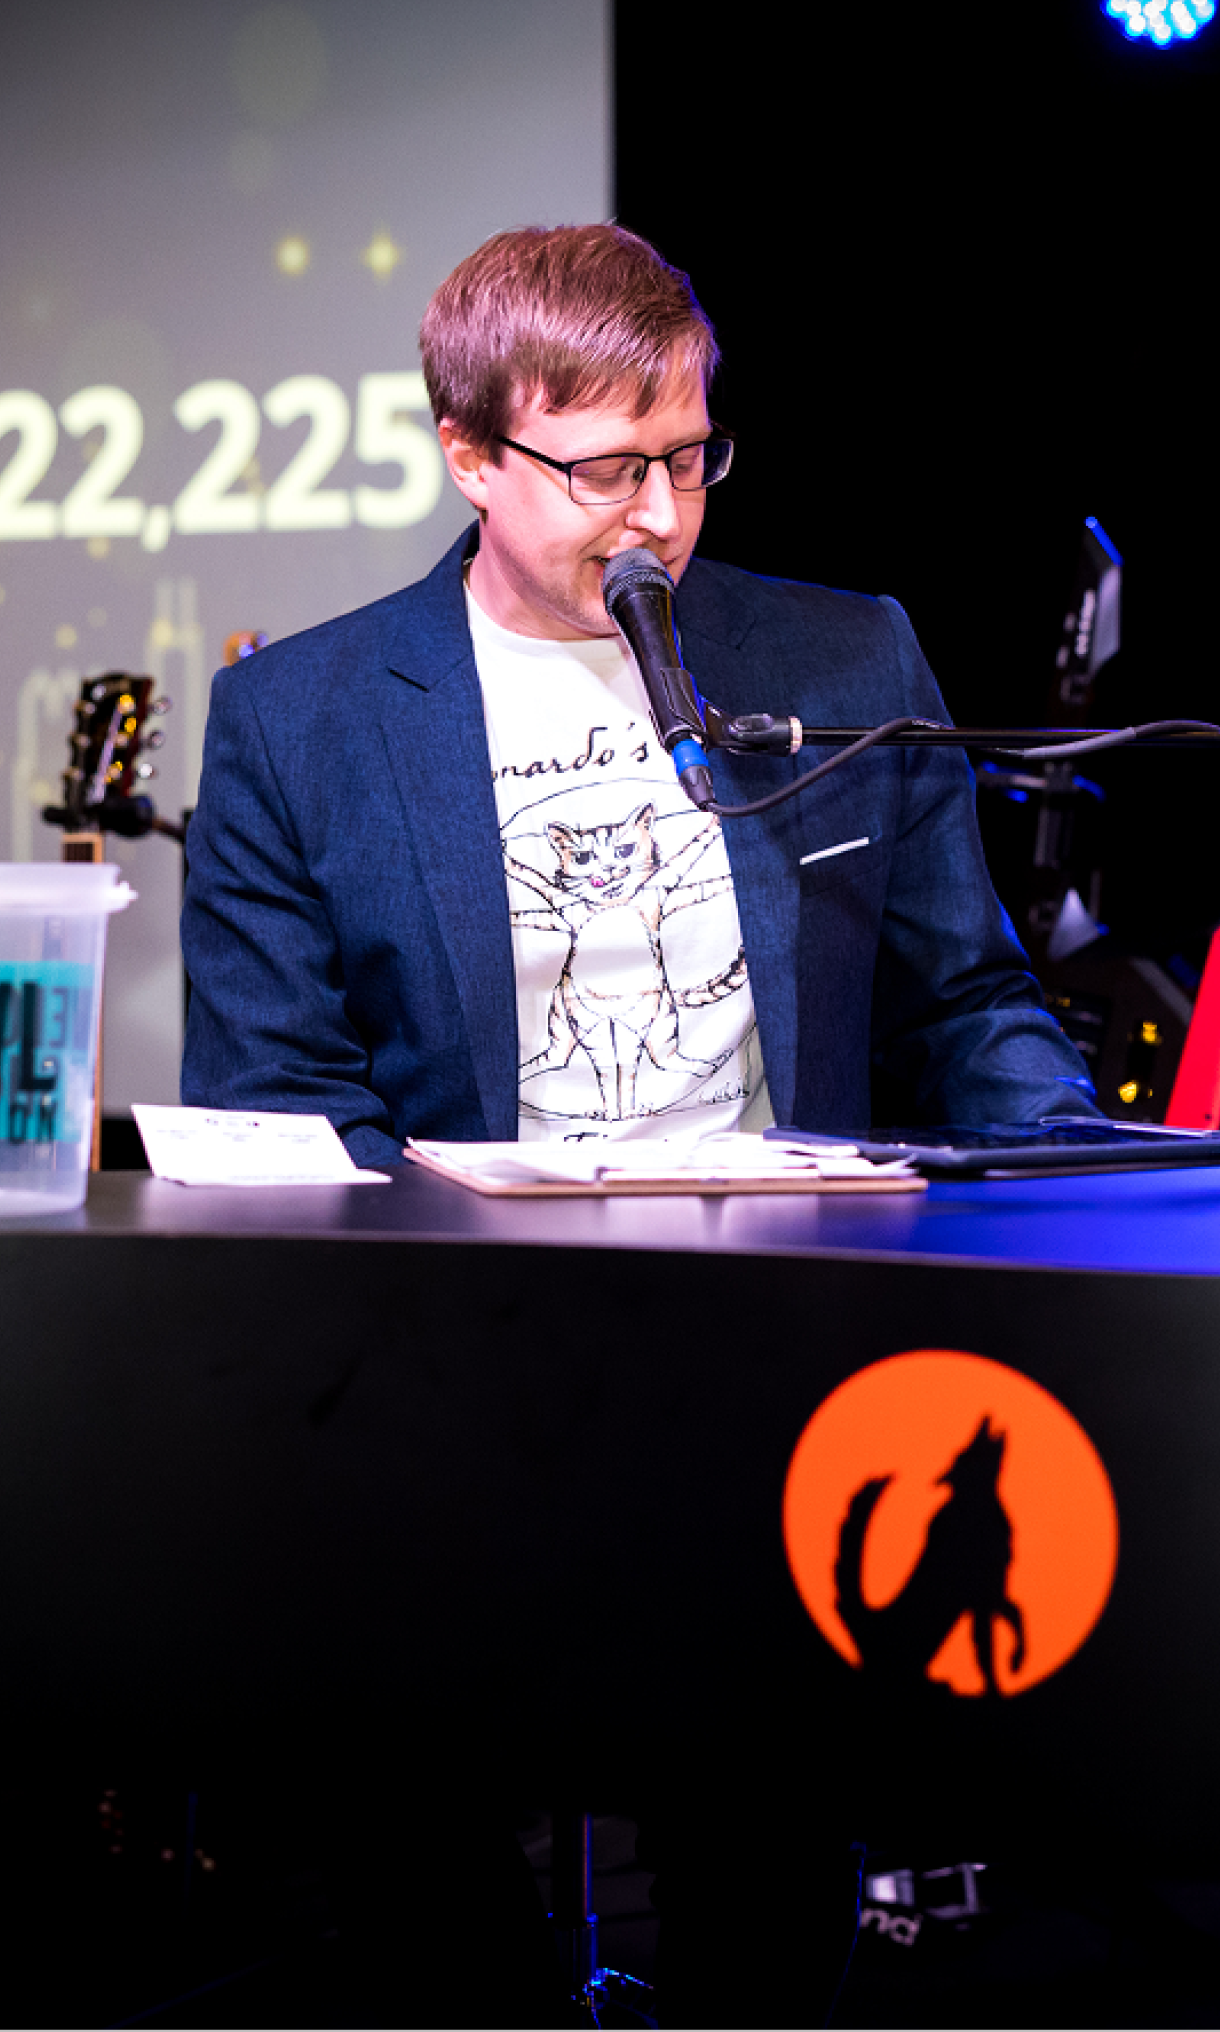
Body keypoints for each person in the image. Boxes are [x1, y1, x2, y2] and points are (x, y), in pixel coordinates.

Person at [179, 223, 1097, 2026]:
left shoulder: (842, 650)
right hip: (456, 1353)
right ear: (467, 451)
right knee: (406, 1828)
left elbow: (965, 1003)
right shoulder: (303, 718)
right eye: (604, 471)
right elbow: (283, 1098)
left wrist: (1085, 1194)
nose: (660, 516)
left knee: (769, 1845)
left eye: (689, 456)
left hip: (780, 1341)